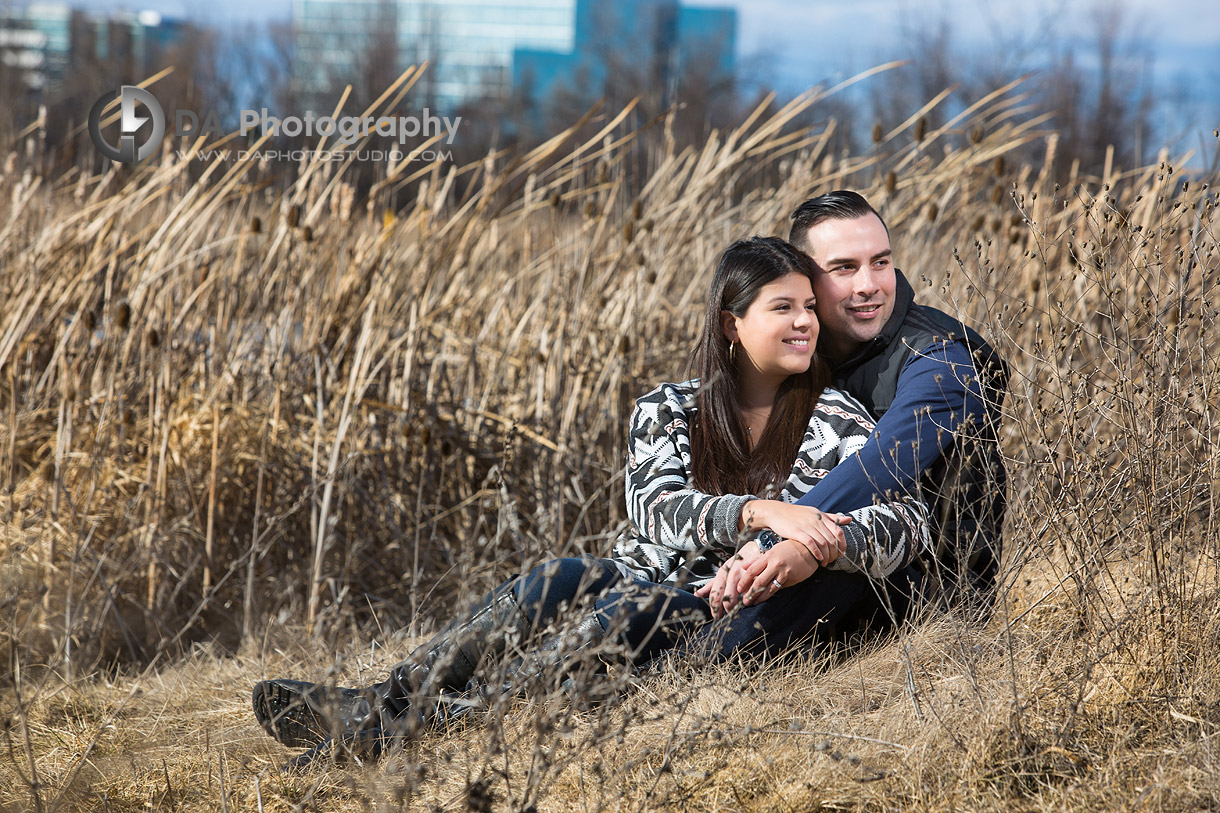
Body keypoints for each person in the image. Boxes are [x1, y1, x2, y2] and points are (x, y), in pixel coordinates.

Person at [252, 236, 931, 768]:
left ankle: (408, 730)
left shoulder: (840, 418)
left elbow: (906, 520)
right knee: (561, 578)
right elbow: (655, 507)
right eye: (782, 307)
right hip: (639, 572)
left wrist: (819, 543)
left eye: (809, 307)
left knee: (625, 612)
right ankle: (385, 700)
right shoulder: (667, 408)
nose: (805, 322)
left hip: (714, 604)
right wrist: (761, 512)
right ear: (732, 323)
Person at [715, 191, 1008, 616]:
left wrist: (768, 542)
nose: (868, 284)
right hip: (800, 564)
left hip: (921, 594)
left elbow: (884, 464)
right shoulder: (803, 350)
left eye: (880, 262)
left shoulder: (942, 358)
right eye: (844, 268)